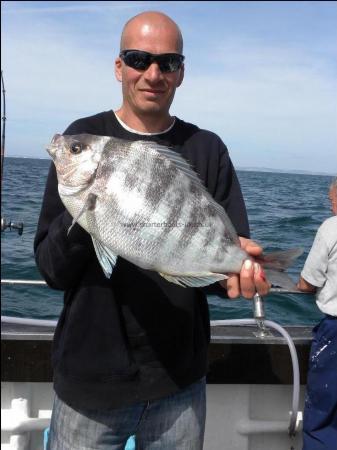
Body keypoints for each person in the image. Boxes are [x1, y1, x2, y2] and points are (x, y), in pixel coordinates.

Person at [34, 11, 270, 450]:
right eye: (139, 59)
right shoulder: (83, 136)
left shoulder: (207, 148)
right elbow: (52, 270)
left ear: (182, 73)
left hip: (179, 384)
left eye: (169, 62)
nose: (153, 74)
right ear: (119, 66)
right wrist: (88, 210)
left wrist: (239, 273)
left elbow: (220, 265)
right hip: (89, 384)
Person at [297, 178, 337, 450]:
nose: (330, 202)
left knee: (323, 415)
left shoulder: (331, 228)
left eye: (332, 197)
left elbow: (307, 283)